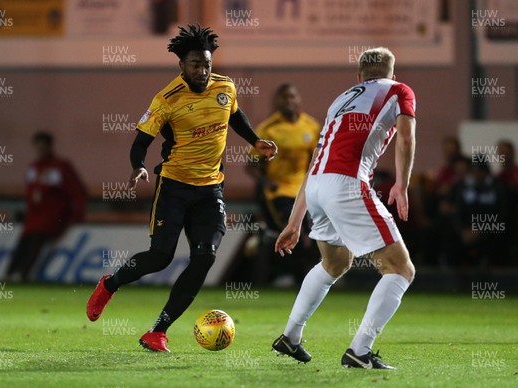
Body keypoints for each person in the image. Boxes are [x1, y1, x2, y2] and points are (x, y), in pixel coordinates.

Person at [86, 24, 277, 352]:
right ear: (181, 66)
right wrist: (139, 167)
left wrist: (255, 140)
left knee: (205, 257)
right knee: (160, 257)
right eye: (195, 65)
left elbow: (234, 115)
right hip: (174, 187)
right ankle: (111, 283)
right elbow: (140, 142)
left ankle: (158, 331)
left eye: (207, 64)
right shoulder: (166, 100)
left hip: (210, 190)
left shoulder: (225, 87)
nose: (202, 71)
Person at [271, 47, 416, 369]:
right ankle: (360, 351)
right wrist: (402, 185)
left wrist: (295, 221)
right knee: (400, 269)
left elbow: (314, 161)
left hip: (318, 185)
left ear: (359, 77)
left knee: (334, 263)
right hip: (347, 184)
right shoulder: (399, 90)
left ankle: (290, 337)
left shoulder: (340, 100)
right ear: (392, 74)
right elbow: (406, 137)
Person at [246, 83, 321, 285]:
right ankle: (290, 277)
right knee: (294, 231)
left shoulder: (312, 127)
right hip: (279, 192)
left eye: (292, 97)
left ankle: (304, 278)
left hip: (305, 191)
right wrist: (266, 182)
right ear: (277, 102)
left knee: (311, 235)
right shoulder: (268, 129)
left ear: (299, 99)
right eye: (284, 97)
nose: (289, 101)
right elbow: (250, 165)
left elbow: (319, 159)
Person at [6, 131, 86, 281]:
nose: (41, 151)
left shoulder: (60, 167)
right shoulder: (33, 168)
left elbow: (78, 193)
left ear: (50, 147)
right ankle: (11, 273)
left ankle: (24, 273)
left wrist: (76, 216)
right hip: (34, 218)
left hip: (54, 217)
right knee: (24, 241)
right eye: (38, 147)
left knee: (36, 239)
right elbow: (31, 194)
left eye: (43, 147)